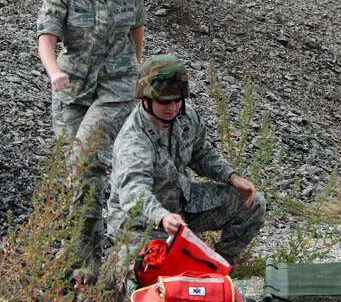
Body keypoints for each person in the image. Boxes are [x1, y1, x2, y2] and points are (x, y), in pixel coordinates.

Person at [36, 0, 145, 277]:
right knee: (79, 173)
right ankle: (87, 254)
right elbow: (47, 37)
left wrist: (137, 67)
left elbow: (136, 29)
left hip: (114, 87)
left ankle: (81, 256)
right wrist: (54, 72)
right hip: (72, 90)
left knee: (87, 159)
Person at [105, 55, 266, 286]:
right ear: (147, 99)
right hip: (142, 223)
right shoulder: (134, 140)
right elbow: (134, 193)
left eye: (177, 100)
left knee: (253, 203)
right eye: (164, 101)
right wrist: (162, 217)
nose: (171, 107)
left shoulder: (185, 116)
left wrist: (230, 176)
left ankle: (216, 269)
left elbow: (201, 152)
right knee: (146, 283)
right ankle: (116, 267)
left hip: (182, 205)